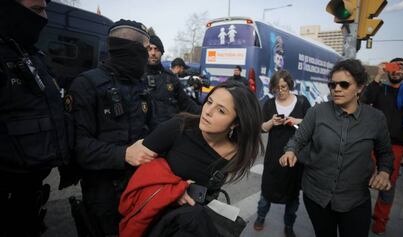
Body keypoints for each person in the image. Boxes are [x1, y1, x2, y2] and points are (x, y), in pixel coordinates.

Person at [123, 80, 263, 234]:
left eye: (221, 110)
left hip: (190, 223)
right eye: (209, 102)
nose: (208, 111)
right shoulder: (179, 126)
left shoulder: (236, 152)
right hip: (156, 215)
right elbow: (138, 166)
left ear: (235, 123)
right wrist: (174, 190)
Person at [279, 59, 394, 237]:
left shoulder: (376, 119)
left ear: (360, 87)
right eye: (332, 84)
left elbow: (385, 153)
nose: (337, 89)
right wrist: (290, 150)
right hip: (317, 197)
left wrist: (384, 172)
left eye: (344, 84)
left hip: (355, 200)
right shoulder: (317, 112)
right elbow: (298, 138)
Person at [68, 19, 157, 236]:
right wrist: (123, 154)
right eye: (146, 49)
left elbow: (154, 129)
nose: (149, 55)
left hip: (139, 185)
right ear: (130, 48)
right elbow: (76, 146)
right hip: (103, 194)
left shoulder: (141, 86)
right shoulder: (86, 84)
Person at [0, 0, 70, 236]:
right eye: (37, 10)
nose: (45, 17)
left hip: (28, 196)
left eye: (45, 9)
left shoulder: (31, 55)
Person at [253, 70, 311, 237]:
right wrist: (272, 122)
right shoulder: (270, 104)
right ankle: (261, 217)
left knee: (292, 195)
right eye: (277, 88)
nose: (281, 91)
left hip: (296, 156)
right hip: (273, 154)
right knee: (267, 191)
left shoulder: (302, 102)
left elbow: (312, 122)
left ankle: (289, 225)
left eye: (284, 87)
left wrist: (296, 120)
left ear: (290, 85)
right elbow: (261, 128)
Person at [360, 58, 403, 235]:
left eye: (400, 68)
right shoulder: (380, 88)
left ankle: (380, 221)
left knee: (387, 184)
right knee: (360, 177)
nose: (396, 71)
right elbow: (364, 99)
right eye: (393, 68)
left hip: (396, 145)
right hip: (373, 141)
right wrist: (378, 76)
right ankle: (356, 212)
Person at [146, 37, 200, 123]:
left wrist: (203, 113)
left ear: (161, 52)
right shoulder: (137, 77)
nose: (153, 53)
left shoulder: (170, 77)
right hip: (146, 133)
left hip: (169, 130)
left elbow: (186, 102)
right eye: (149, 49)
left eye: (156, 49)